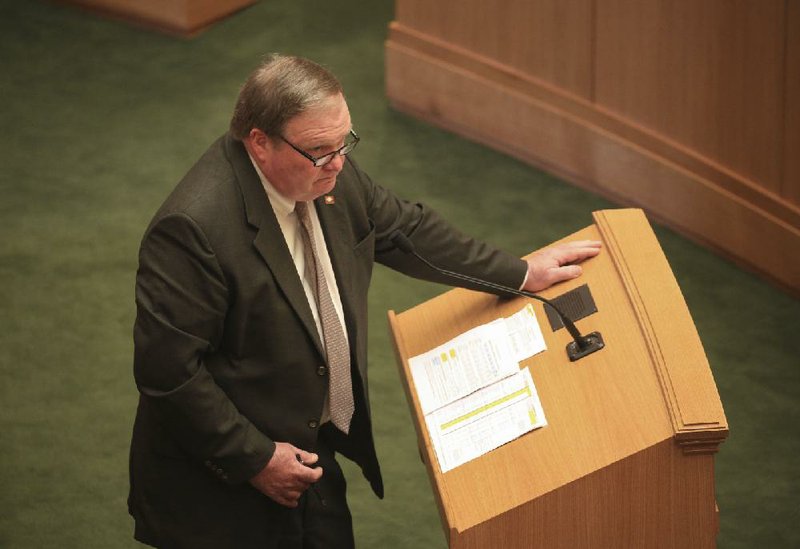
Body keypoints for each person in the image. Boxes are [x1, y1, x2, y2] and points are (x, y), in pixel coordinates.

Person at [128, 54, 601, 548]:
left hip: (310, 450)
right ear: (260, 143)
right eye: (319, 150)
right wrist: (255, 458)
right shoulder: (192, 230)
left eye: (344, 142)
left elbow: (405, 230)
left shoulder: (328, 173)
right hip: (223, 484)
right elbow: (169, 374)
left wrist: (521, 273)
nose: (338, 162)